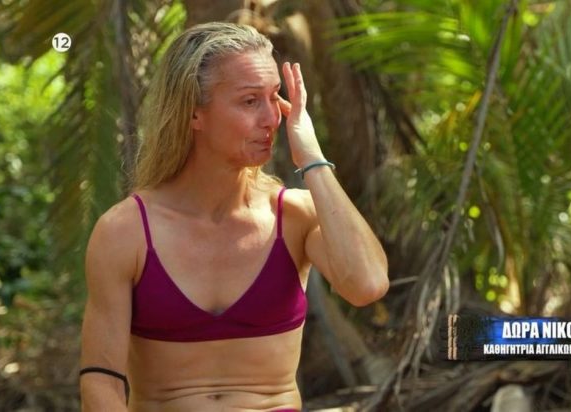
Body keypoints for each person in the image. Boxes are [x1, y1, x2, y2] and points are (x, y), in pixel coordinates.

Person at [79, 22, 389, 411]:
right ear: (194, 113)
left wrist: (312, 160)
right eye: (250, 101)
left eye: (275, 97)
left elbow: (367, 285)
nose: (272, 118)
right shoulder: (125, 232)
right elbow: (101, 381)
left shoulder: (296, 216)